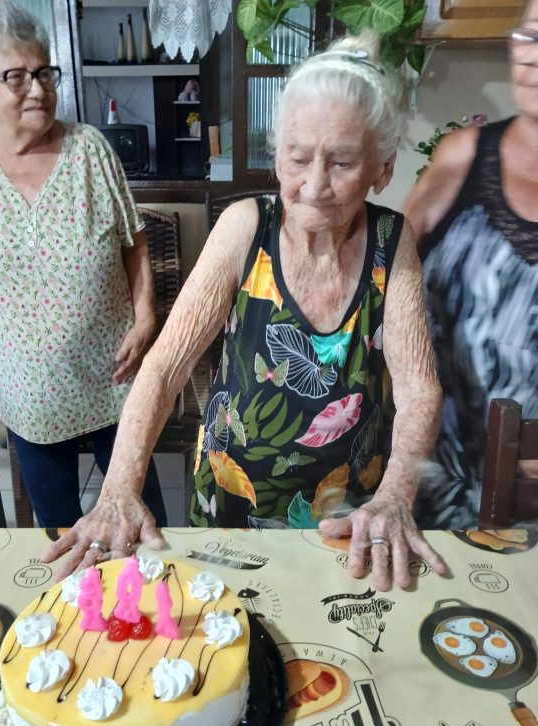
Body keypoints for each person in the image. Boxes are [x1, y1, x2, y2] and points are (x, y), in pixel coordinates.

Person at [42, 31, 447, 591]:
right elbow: (163, 367)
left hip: (351, 522)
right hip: (231, 509)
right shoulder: (246, 227)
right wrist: (117, 491)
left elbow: (418, 386)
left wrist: (397, 497)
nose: (313, 185)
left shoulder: (390, 240)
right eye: (298, 157)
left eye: (343, 163)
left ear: (382, 167)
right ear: (275, 154)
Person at [0, 0, 166, 529]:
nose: (38, 89)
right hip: (28, 395)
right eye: (15, 76)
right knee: (60, 531)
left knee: (142, 524)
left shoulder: (89, 150)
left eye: (43, 72)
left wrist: (146, 315)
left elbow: (134, 241)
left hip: (114, 378)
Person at [403, 0, 538, 530]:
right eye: (528, 37)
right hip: (428, 478)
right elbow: (381, 273)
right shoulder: (461, 156)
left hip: (529, 507)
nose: (532, 58)